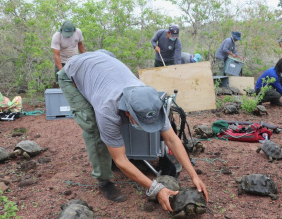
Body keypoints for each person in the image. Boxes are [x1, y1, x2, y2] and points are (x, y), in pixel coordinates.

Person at [57, 51, 208, 210]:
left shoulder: (151, 101)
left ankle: (130, 156)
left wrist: (194, 175)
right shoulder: (107, 110)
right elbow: (120, 160)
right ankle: (103, 180)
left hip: (103, 60)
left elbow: (172, 140)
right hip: (72, 72)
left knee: (119, 132)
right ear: (128, 112)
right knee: (94, 127)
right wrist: (156, 188)